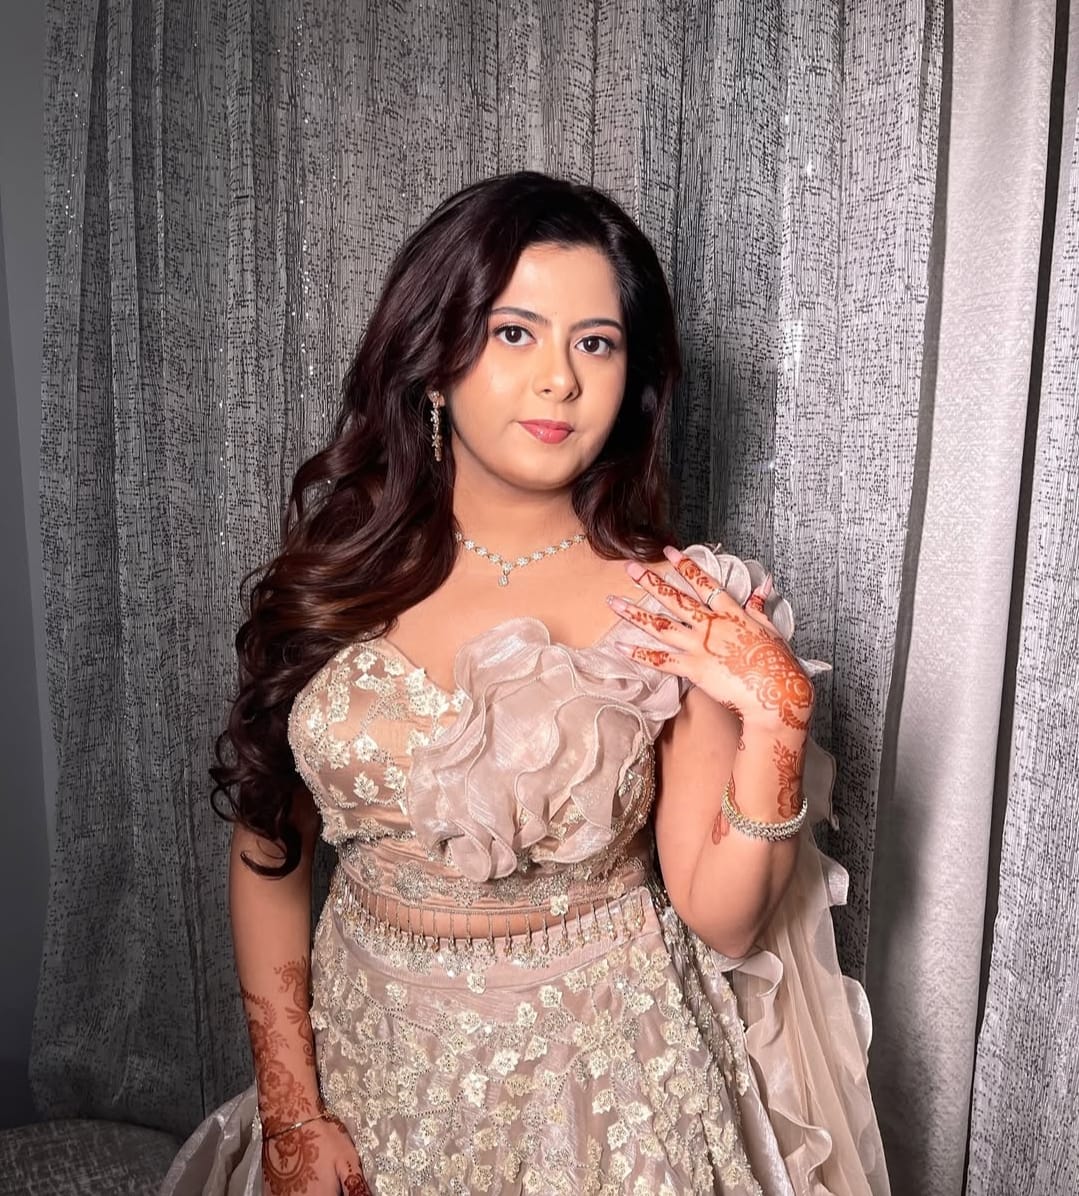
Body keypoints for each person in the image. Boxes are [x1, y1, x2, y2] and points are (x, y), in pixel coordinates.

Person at [161, 170, 890, 1196]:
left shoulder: (675, 603)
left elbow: (724, 918)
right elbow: (270, 846)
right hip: (373, 1070)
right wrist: (291, 1110)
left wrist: (777, 719)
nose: (559, 380)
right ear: (434, 362)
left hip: (600, 1092)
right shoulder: (335, 575)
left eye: (595, 343)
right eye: (514, 333)